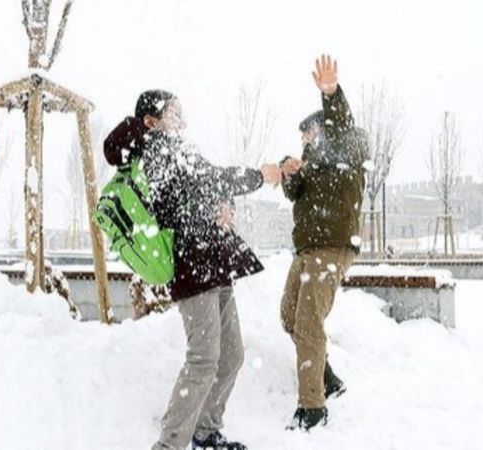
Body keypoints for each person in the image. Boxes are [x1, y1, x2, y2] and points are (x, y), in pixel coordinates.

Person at [104, 90, 282, 450]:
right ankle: (169, 445)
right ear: (152, 121)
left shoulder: (179, 149)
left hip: (215, 264)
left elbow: (205, 185)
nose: (182, 119)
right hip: (193, 267)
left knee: (232, 356)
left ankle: (206, 431)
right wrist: (257, 177)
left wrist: (224, 203)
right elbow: (204, 179)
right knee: (203, 360)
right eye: (174, 112)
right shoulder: (155, 150)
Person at [278, 55, 369, 431]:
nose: (305, 142)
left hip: (332, 248)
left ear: (324, 129)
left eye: (308, 135)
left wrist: (330, 94)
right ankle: (327, 377)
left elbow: (343, 126)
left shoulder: (349, 148)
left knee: (308, 323)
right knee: (290, 316)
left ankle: (312, 408)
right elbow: (293, 192)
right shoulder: (312, 164)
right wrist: (288, 170)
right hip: (308, 250)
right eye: (302, 139)